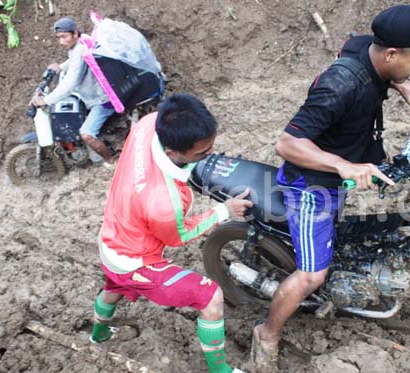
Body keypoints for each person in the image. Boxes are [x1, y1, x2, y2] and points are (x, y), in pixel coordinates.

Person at [250, 5, 410, 371]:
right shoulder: (339, 85)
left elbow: (363, 56)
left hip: (342, 168)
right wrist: (344, 165)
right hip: (312, 186)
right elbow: (287, 143)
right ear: (392, 53)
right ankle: (266, 334)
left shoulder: (369, 50)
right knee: (313, 274)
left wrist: (400, 84)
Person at [89, 93, 252, 373]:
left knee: (113, 287)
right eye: (202, 153)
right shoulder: (162, 202)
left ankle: (98, 335)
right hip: (135, 261)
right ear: (172, 152)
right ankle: (221, 370)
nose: (208, 155)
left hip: (111, 237)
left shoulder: (150, 124)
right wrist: (223, 212)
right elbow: (177, 237)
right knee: (211, 296)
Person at [30, 17, 115, 167]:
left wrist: (46, 100)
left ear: (75, 33)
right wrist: (61, 67)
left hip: (102, 99)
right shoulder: (81, 43)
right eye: (58, 38)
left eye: (64, 36)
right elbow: (76, 61)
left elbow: (71, 82)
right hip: (93, 92)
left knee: (86, 134)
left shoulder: (80, 49)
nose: (61, 41)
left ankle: (111, 162)